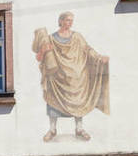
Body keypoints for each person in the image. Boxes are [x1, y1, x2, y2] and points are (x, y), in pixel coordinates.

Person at [33, 11, 109, 141]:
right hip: (57, 76)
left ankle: (79, 129)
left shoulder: (77, 37)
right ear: (61, 21)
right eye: (67, 20)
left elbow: (87, 49)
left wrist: (99, 57)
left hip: (76, 75)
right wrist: (43, 50)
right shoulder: (50, 38)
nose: (70, 23)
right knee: (53, 99)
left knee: (78, 100)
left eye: (71, 20)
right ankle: (52, 129)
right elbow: (39, 57)